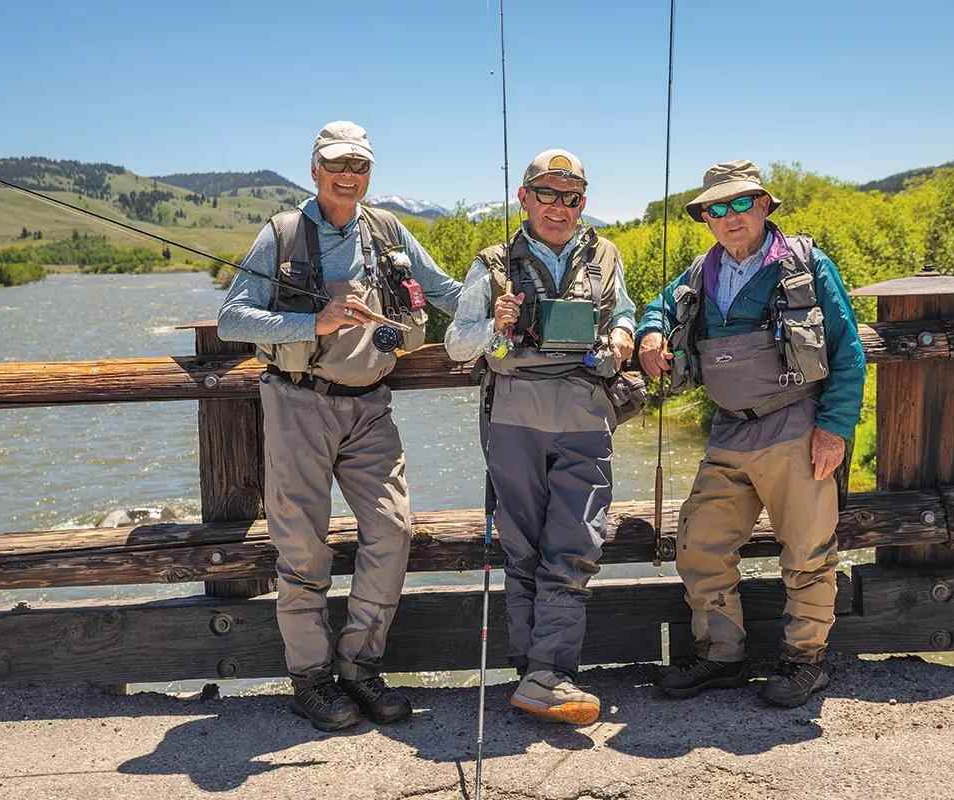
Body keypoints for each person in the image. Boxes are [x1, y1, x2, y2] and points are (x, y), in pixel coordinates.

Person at [218, 121, 462, 730]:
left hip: (372, 406)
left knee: (393, 530)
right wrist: (314, 325)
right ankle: (311, 679)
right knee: (302, 549)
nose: (348, 176)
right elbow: (231, 320)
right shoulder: (280, 234)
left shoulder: (387, 230)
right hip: (297, 404)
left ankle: (360, 667)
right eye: (336, 165)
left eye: (359, 166)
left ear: (370, 173)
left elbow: (442, 292)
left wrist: (499, 306)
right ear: (314, 169)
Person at [637, 160, 865, 708]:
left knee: (808, 553)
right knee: (699, 544)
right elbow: (657, 307)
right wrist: (648, 334)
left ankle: (804, 662)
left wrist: (833, 429)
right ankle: (720, 657)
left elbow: (848, 351)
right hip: (728, 434)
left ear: (764, 206)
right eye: (718, 208)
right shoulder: (701, 273)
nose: (730, 216)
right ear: (706, 218)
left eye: (741, 203)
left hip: (797, 428)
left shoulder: (807, 265)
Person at [444, 149, 636, 725]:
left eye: (570, 197)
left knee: (576, 544)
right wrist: (495, 326)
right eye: (547, 194)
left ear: (583, 202)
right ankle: (535, 672)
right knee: (522, 547)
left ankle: (546, 673)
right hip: (513, 420)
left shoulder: (606, 255)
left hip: (585, 417)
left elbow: (625, 311)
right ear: (524, 198)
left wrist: (624, 336)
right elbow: (457, 342)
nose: (559, 207)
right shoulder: (493, 261)